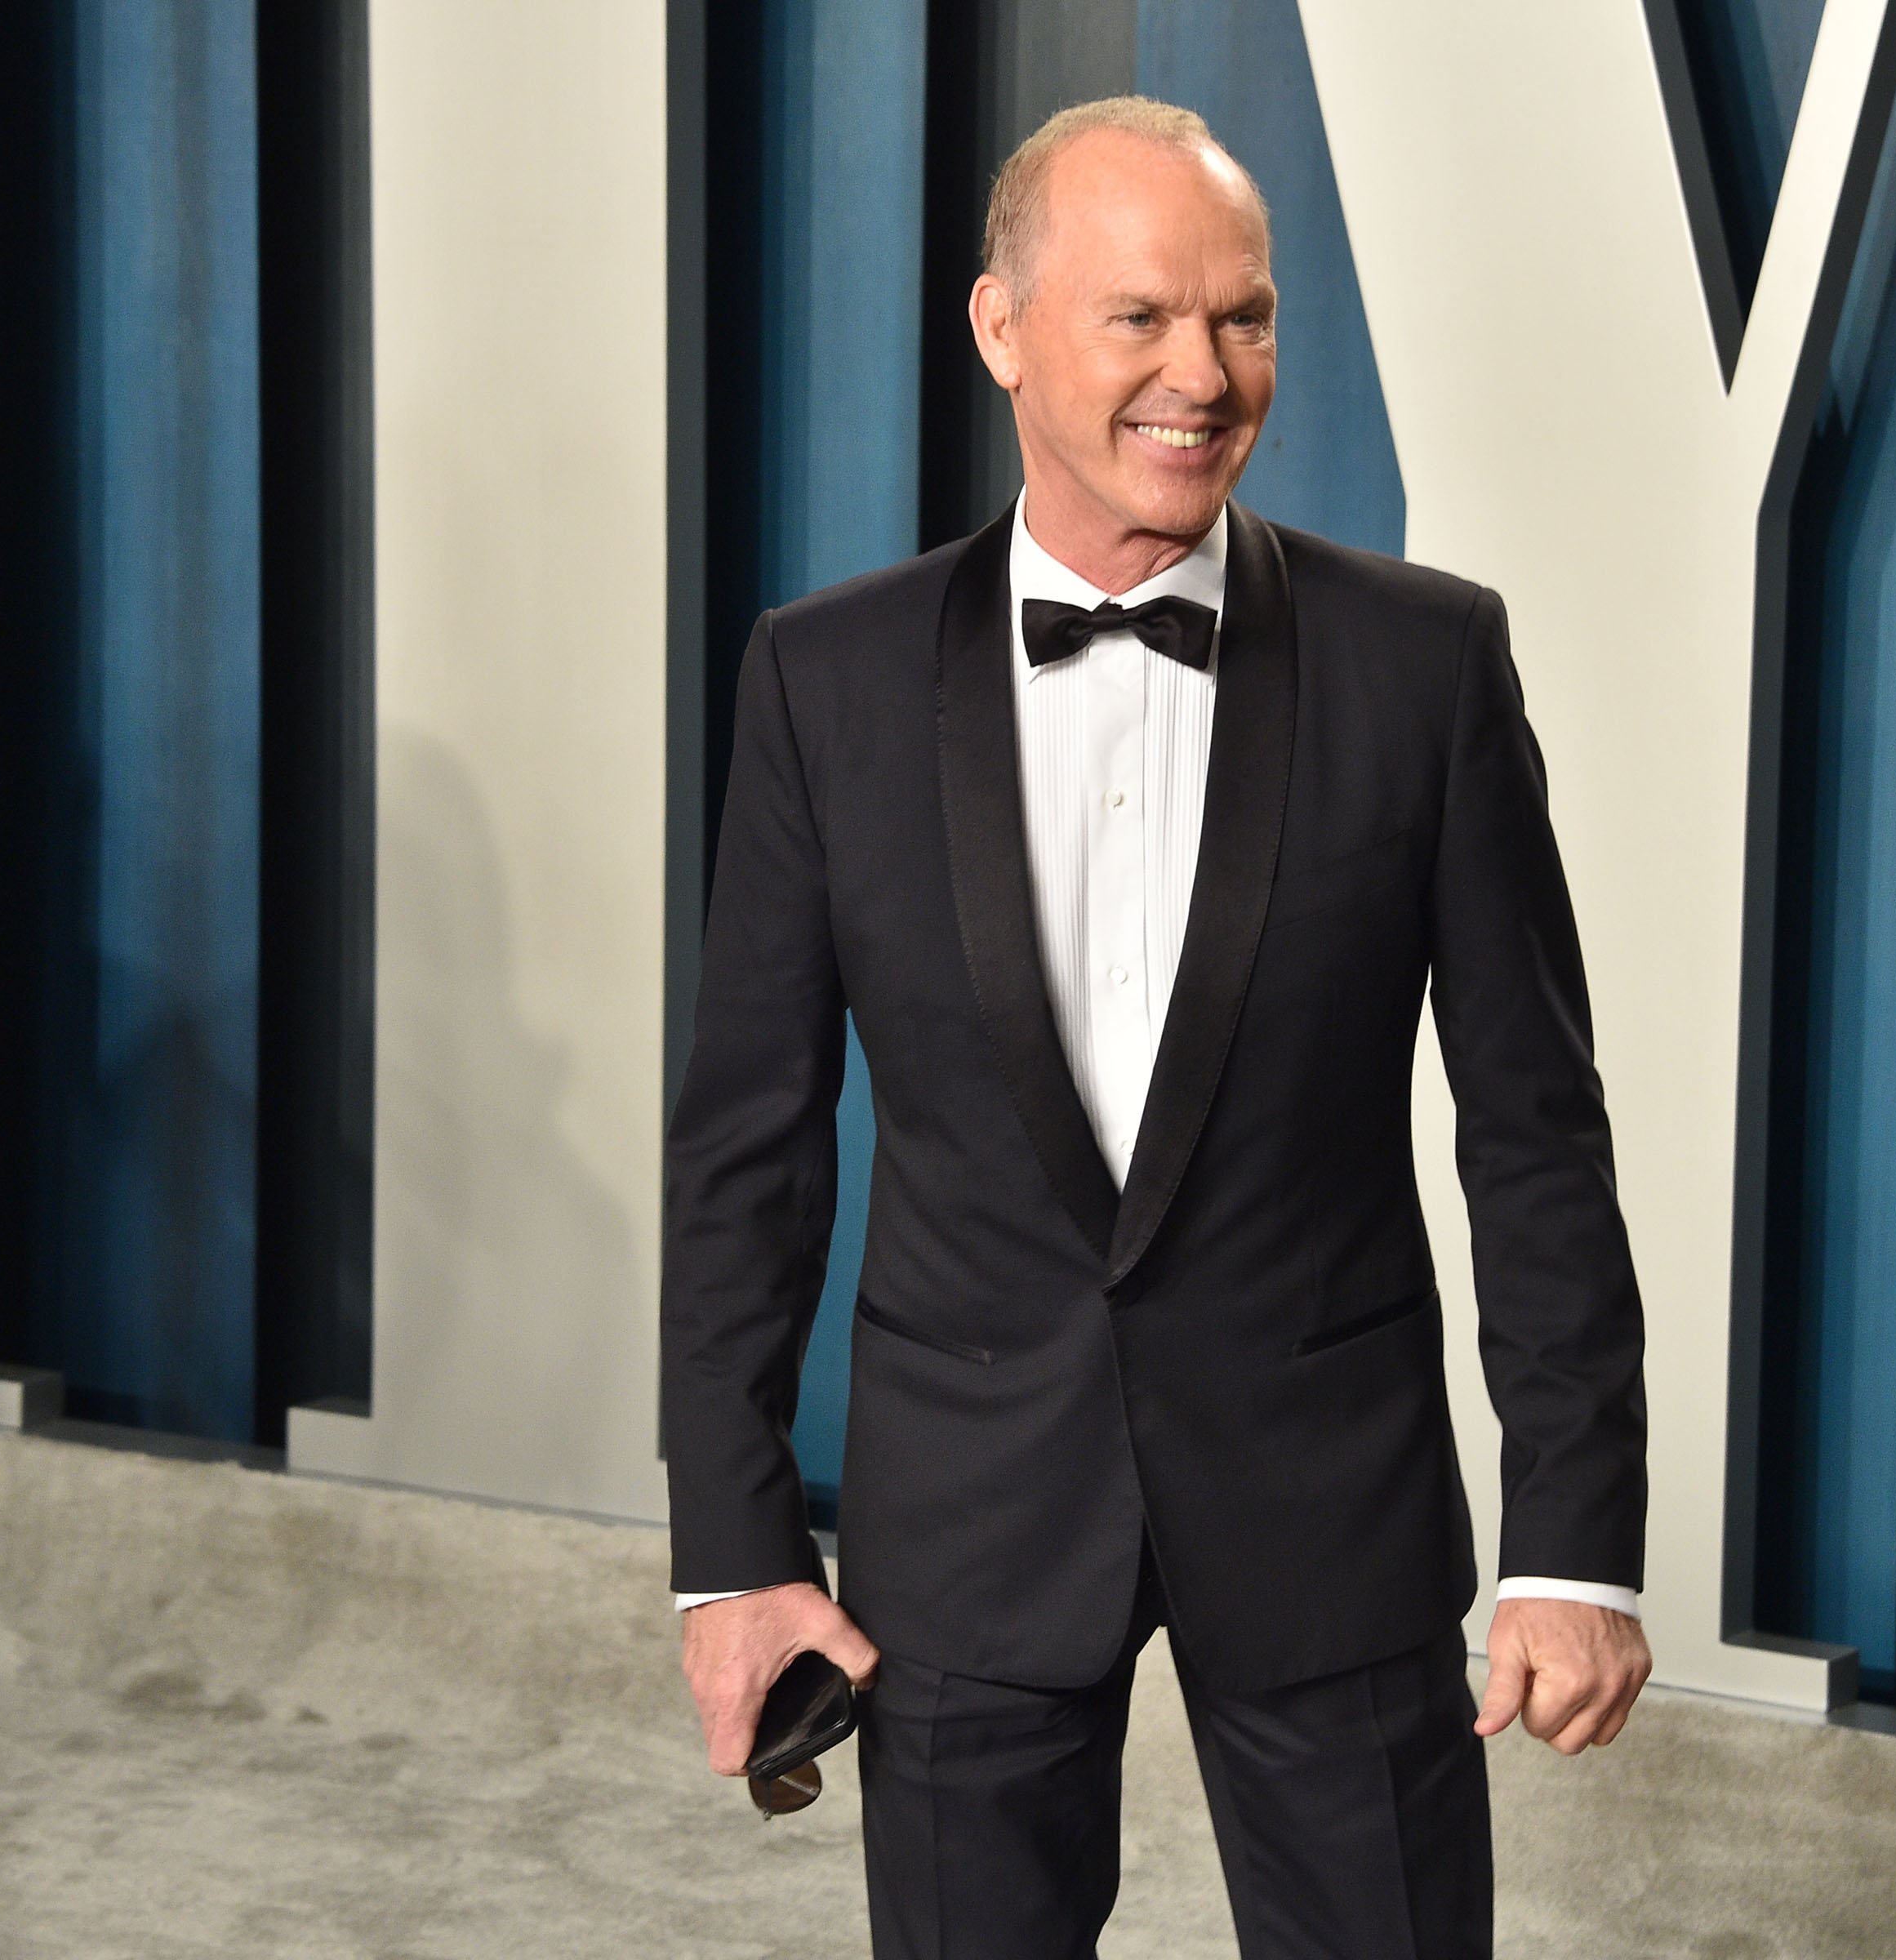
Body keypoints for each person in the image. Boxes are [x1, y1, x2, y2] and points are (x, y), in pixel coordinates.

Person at [662, 96, 1649, 1959]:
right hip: (964, 1523)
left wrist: (1572, 1538)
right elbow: (748, 1157)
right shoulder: (825, 678)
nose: (1205, 375)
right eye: (1141, 318)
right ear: (1003, 328)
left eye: (1246, 318)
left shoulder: (1425, 667)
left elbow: (1536, 1131)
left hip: (1331, 1505)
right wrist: (735, 1554)